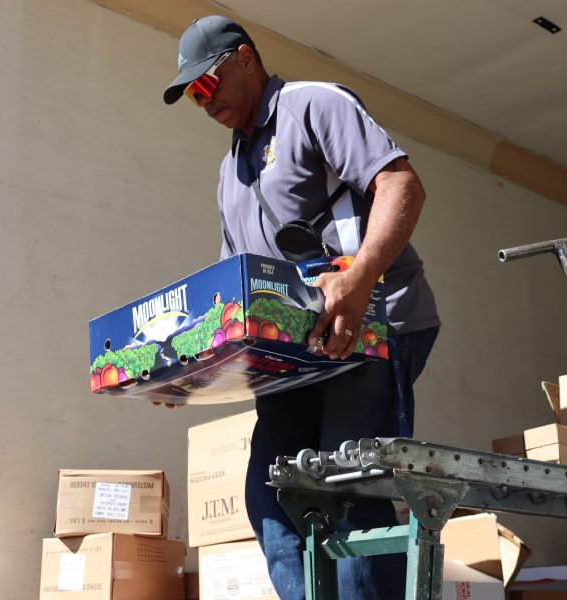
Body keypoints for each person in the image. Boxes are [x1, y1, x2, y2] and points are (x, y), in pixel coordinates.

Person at [164, 15, 440, 599]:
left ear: (244, 58)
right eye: (193, 96)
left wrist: (361, 276)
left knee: (347, 487)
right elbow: (233, 294)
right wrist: (187, 373)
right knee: (270, 497)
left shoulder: (313, 106)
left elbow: (402, 186)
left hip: (369, 328)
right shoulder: (229, 170)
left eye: (206, 85)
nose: (203, 102)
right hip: (295, 357)